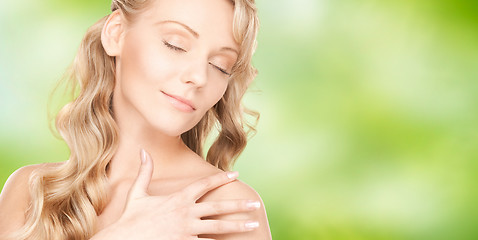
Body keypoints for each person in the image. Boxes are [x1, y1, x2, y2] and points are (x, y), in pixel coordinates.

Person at [0, 0, 271, 239]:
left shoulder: (226, 208)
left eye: (220, 66)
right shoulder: (31, 191)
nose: (199, 76)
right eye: (175, 45)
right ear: (116, 33)